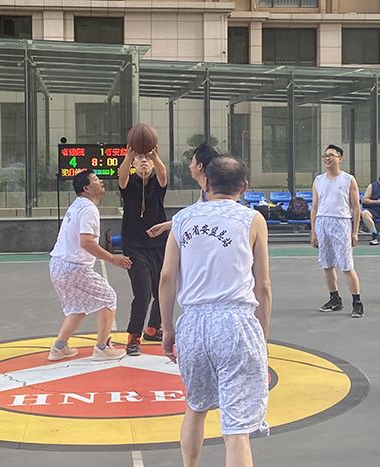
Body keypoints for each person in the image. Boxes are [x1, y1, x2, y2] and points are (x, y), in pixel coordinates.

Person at [159, 155, 272, 467]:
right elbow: (263, 285)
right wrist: (262, 335)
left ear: (206, 183)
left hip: (193, 322)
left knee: (195, 406)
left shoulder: (183, 219)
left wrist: (167, 328)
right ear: (244, 187)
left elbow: (167, 276)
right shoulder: (252, 220)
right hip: (235, 322)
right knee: (236, 428)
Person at [47, 170, 130, 362]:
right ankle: (102, 348)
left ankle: (59, 347)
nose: (100, 181)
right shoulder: (88, 209)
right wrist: (113, 258)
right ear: (86, 188)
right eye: (95, 179)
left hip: (58, 265)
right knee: (108, 298)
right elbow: (86, 242)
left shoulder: (77, 205)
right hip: (73, 267)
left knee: (77, 307)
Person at [118, 145, 168, 356]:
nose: (144, 161)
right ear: (134, 164)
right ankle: (133, 337)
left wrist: (154, 156)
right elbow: (121, 177)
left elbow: (163, 175)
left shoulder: (157, 184)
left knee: (163, 291)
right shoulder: (129, 184)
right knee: (143, 293)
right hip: (134, 247)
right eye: (140, 158)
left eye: (147, 158)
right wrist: (129, 156)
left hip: (158, 246)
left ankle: (152, 329)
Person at [310, 144, 364, 318]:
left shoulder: (348, 180)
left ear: (340, 158)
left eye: (331, 155)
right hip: (322, 222)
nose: (327, 158)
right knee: (327, 264)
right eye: (325, 155)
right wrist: (313, 231)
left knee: (346, 265)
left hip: (341, 223)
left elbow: (356, 207)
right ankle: (334, 299)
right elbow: (315, 207)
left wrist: (355, 231)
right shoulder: (318, 180)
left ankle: (357, 302)